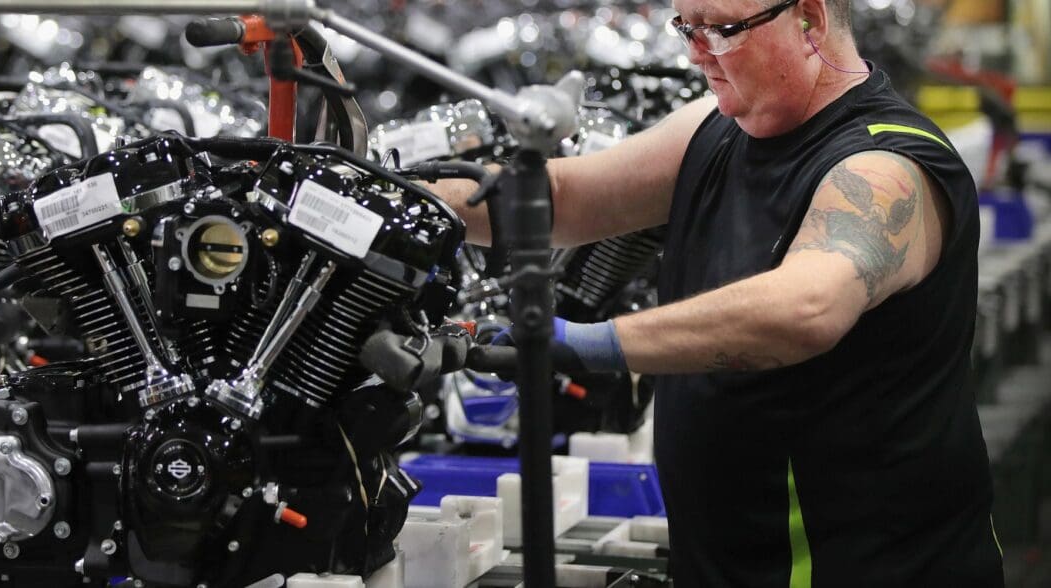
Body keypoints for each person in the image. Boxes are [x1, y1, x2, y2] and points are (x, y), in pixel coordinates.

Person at [428, 0, 1005, 585]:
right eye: (687, 27)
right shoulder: (718, 129)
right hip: (730, 563)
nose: (695, 50)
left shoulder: (886, 166)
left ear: (809, 18)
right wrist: (390, 197)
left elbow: (805, 308)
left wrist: (586, 344)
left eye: (722, 29)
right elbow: (560, 197)